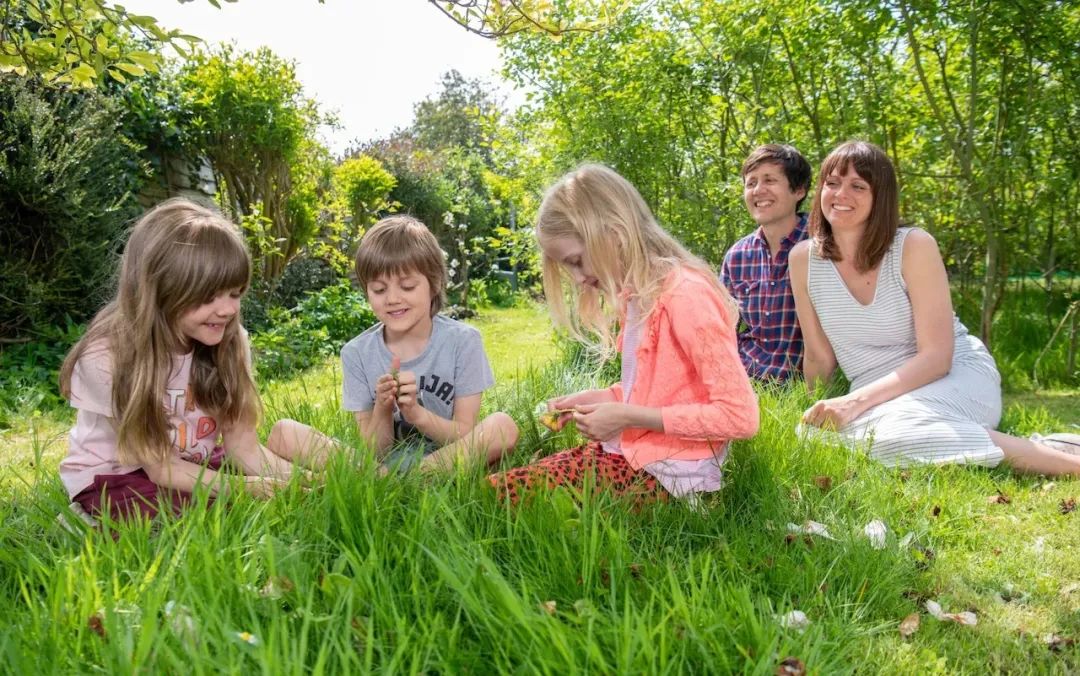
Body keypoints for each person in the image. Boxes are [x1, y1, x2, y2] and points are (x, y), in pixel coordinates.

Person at [790, 140, 1080, 475]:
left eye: (858, 186)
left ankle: (1064, 463)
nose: (841, 194)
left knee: (885, 436)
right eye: (832, 183)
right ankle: (1022, 444)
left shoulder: (913, 246)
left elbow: (937, 358)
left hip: (955, 375)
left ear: (880, 197)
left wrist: (853, 403)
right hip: (877, 395)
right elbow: (818, 355)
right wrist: (818, 407)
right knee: (813, 436)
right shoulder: (803, 260)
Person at [488, 164, 760, 504]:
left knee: (500, 497)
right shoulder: (638, 295)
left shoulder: (685, 293)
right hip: (637, 459)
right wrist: (605, 398)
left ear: (614, 232)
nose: (576, 278)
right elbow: (663, 392)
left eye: (575, 260)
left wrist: (627, 417)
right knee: (498, 486)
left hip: (671, 478)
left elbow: (740, 416)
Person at [58, 199, 304, 523]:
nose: (228, 309)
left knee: (256, 504)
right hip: (116, 475)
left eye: (235, 292)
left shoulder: (230, 340)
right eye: (209, 296)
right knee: (206, 516)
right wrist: (244, 488)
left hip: (187, 464)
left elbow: (243, 448)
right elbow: (160, 467)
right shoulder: (107, 358)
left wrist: (302, 484)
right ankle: (85, 520)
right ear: (160, 292)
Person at [275, 215, 519, 473]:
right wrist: (382, 408)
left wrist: (417, 415)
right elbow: (375, 451)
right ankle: (388, 480)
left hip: (446, 457)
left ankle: (416, 477)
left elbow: (464, 434)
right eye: (379, 290)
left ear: (434, 283)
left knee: (502, 426)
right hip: (381, 466)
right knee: (283, 433)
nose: (392, 299)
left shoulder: (463, 341)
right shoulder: (356, 354)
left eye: (407, 286)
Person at [722, 144, 813, 381]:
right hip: (744, 376)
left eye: (769, 180)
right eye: (751, 183)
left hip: (804, 379)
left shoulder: (824, 245)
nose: (758, 190)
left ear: (799, 190)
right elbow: (723, 328)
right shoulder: (737, 256)